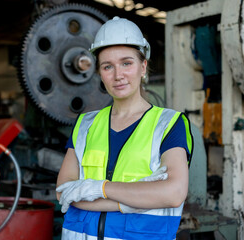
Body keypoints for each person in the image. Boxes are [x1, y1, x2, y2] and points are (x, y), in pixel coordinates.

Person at [56, 16, 194, 240]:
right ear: (100, 73)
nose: (118, 75)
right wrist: (136, 201)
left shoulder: (170, 124)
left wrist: (100, 189)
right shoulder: (85, 125)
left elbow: (173, 193)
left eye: (126, 63)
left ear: (143, 66)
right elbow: (64, 190)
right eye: (108, 66)